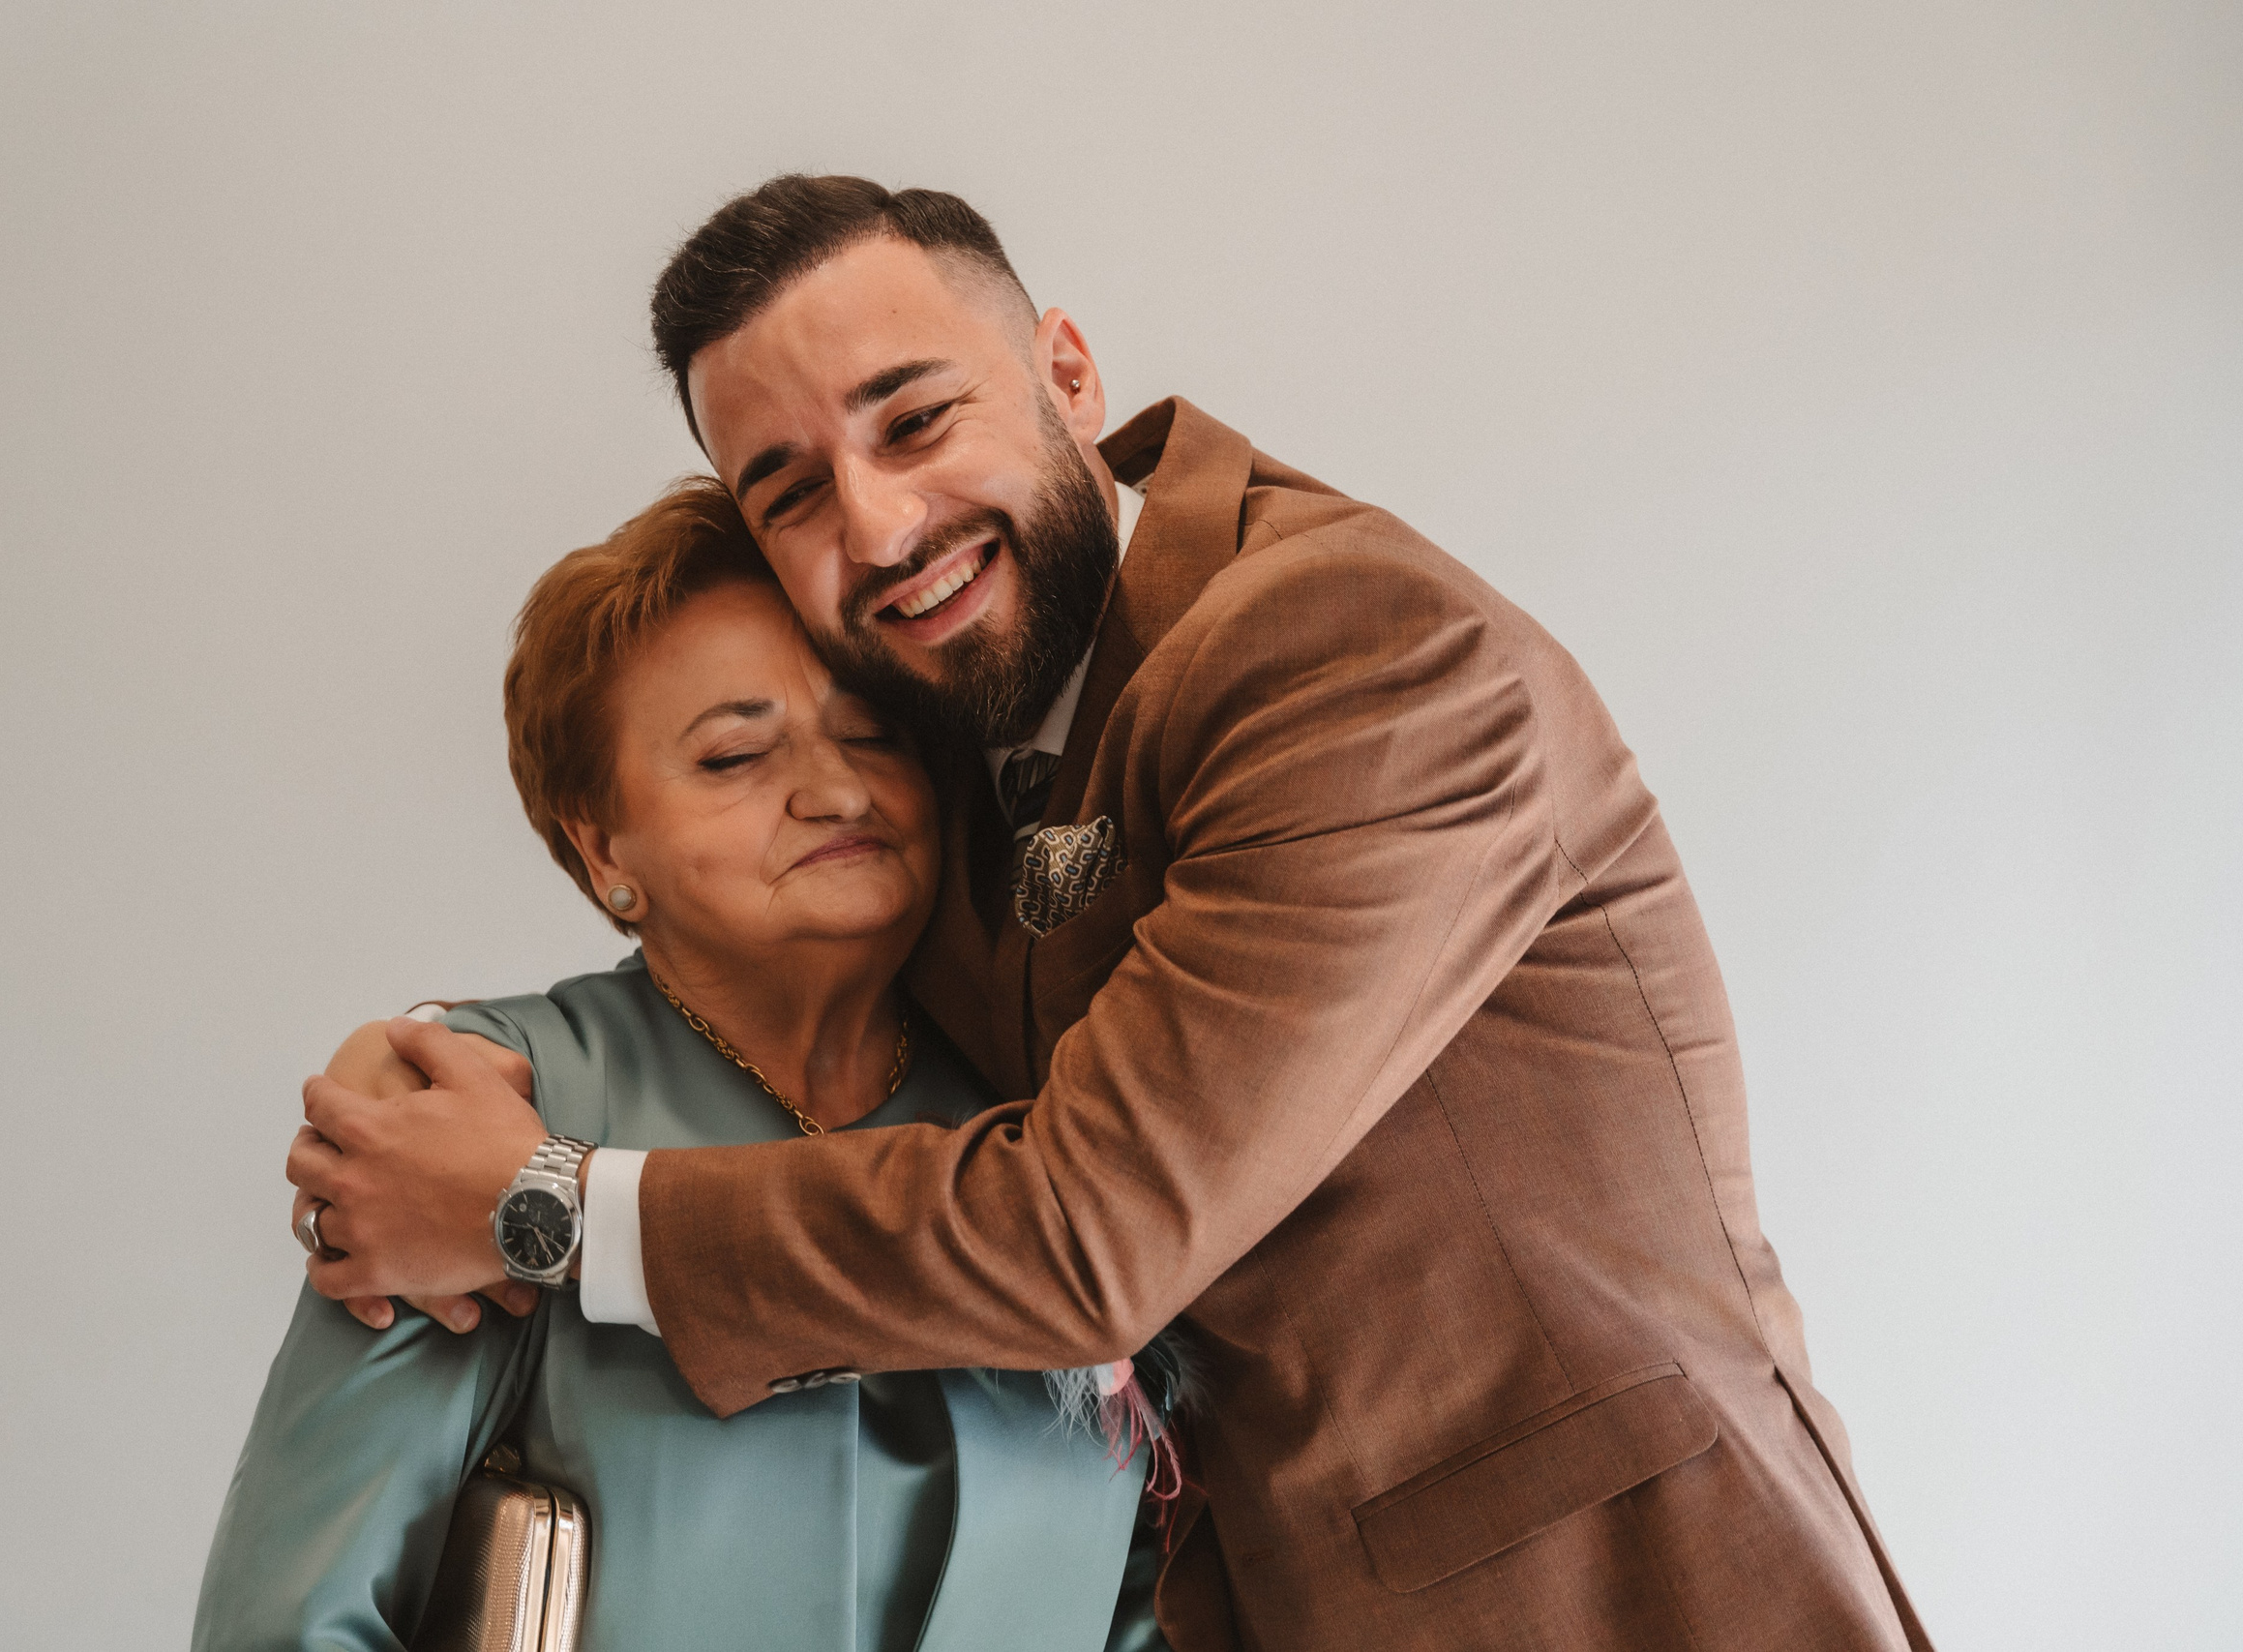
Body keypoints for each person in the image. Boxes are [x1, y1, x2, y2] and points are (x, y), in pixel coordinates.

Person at [289, 176, 1934, 1651]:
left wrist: (540, 1206)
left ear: (1068, 373)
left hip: (1603, 1596)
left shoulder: (1350, 646)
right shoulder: (957, 694)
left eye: (913, 419)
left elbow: (1091, 1237)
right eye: (790, 490)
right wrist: (452, 1056)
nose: (874, 523)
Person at [198, 480, 1164, 1651]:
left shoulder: (1058, 1116)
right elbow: (291, 1620)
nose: (836, 789)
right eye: (734, 755)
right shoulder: (486, 1111)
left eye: (875, 733)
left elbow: (1149, 1599)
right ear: (603, 846)